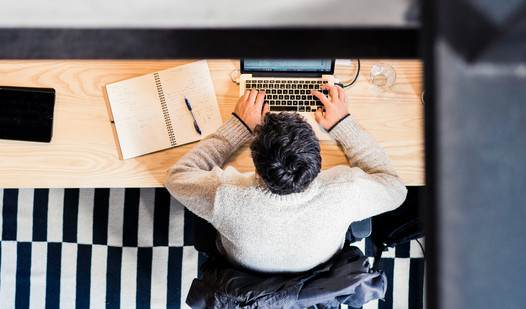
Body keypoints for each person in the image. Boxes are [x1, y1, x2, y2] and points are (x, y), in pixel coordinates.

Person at [165, 84, 407, 274]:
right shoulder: (345, 191)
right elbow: (395, 188)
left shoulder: (226, 194)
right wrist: (343, 125)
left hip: (243, 271)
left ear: (257, 172)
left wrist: (238, 126)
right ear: (317, 164)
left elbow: (177, 176)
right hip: (317, 270)